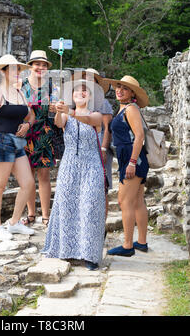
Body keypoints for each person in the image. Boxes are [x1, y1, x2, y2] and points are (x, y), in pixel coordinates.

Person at [41, 79, 106, 271]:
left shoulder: (96, 115)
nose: (81, 93)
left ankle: (90, 255)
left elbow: (88, 121)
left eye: (85, 91)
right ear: (72, 96)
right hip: (70, 164)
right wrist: (61, 110)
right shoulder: (66, 116)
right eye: (77, 91)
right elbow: (58, 122)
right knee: (68, 205)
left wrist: (68, 111)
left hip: (90, 165)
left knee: (89, 206)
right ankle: (67, 249)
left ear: (90, 97)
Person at [0, 54, 36, 241]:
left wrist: (28, 125)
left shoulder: (20, 94)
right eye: (12, 69)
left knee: (28, 184)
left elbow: (31, 115)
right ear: (2, 72)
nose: (17, 72)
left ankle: (14, 223)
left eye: (18, 69)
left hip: (17, 142)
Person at [103, 75, 149, 257]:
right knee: (137, 201)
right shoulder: (124, 108)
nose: (119, 90)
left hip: (133, 159)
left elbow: (139, 137)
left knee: (125, 201)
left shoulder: (131, 109)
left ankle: (128, 245)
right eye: (118, 87)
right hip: (132, 158)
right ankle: (142, 242)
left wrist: (131, 162)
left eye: (125, 88)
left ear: (132, 93)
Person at [20, 50, 57, 227]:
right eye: (37, 64)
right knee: (28, 176)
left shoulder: (51, 87)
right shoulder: (22, 85)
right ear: (31, 66)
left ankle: (45, 215)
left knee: (44, 175)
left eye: (44, 65)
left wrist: (54, 107)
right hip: (26, 134)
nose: (40, 67)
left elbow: (57, 110)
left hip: (45, 133)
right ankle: (31, 213)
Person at [86, 69, 113, 218]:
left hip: (99, 147)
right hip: (84, 149)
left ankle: (101, 224)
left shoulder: (103, 103)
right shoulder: (78, 102)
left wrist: (103, 149)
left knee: (102, 188)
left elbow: (107, 128)